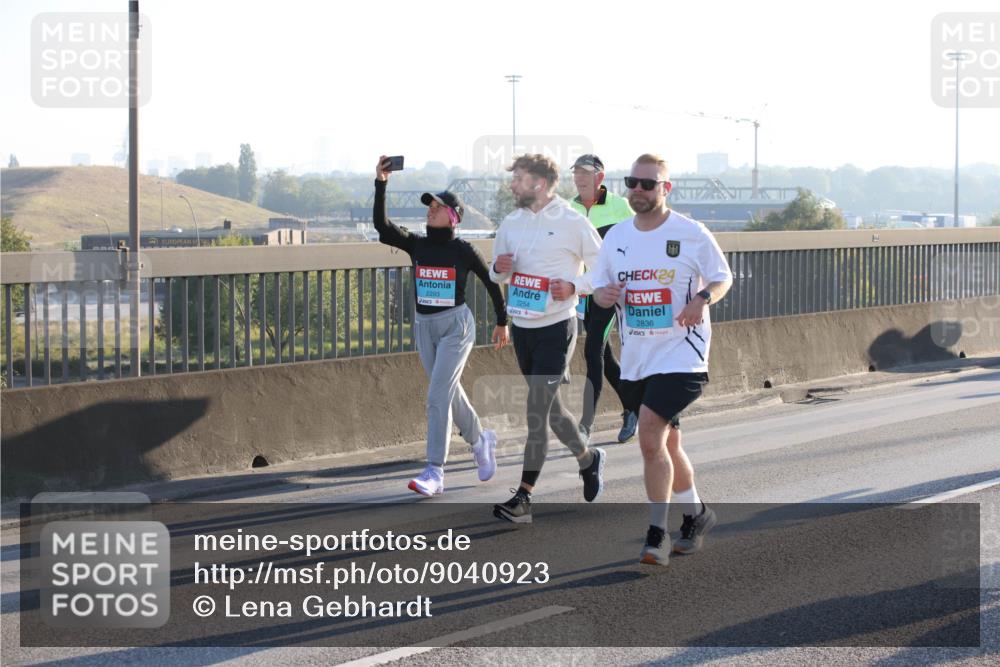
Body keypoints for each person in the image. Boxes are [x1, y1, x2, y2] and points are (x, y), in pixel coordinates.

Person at [592, 153, 733, 564]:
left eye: (647, 184)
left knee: (650, 434)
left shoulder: (690, 232)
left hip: (683, 354)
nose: (637, 190)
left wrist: (702, 298)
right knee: (669, 442)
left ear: (665, 189)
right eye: (631, 182)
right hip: (638, 356)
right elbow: (599, 288)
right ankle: (696, 514)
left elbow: (722, 277)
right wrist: (602, 295)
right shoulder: (616, 237)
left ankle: (657, 534)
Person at [373, 155, 510, 497]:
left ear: (453, 216)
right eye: (429, 207)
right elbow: (382, 227)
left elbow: (491, 282)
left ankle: (435, 470)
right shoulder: (416, 244)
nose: (430, 211)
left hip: (455, 328)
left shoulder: (463, 250)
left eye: (436, 207)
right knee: (447, 391)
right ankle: (479, 439)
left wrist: (501, 321)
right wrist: (381, 183)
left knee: (436, 395)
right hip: (424, 327)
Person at [489, 153, 605, 523]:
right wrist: (499, 269)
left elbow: (605, 269)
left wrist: (574, 285)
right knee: (551, 410)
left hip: (558, 327)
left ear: (538, 184)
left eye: (518, 179)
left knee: (536, 409)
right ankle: (588, 458)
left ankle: (524, 496)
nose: (512, 186)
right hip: (523, 328)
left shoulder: (573, 222)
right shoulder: (511, 222)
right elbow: (496, 272)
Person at [568, 153, 639, 444]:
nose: (579, 178)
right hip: (584, 291)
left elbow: (641, 239)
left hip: (610, 292)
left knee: (592, 350)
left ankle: (585, 424)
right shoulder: (569, 208)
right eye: (576, 172)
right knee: (604, 356)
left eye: (585, 172)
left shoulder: (619, 206)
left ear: (600, 176)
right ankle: (633, 406)